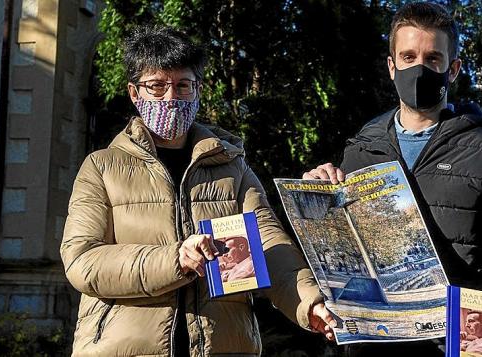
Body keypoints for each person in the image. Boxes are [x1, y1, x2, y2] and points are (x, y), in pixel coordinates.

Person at [60, 25, 335, 357]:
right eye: (156, 86)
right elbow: (82, 260)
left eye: (183, 86)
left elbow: (269, 246)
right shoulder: (102, 167)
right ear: (135, 93)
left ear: (198, 90)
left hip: (223, 346)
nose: (171, 98)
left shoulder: (233, 168)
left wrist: (310, 302)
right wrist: (175, 258)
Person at [303, 2, 482, 355]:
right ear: (392, 66)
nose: (419, 69)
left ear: (453, 69)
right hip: (370, 346)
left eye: (432, 59)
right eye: (408, 57)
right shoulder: (360, 151)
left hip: (459, 345)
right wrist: (315, 199)